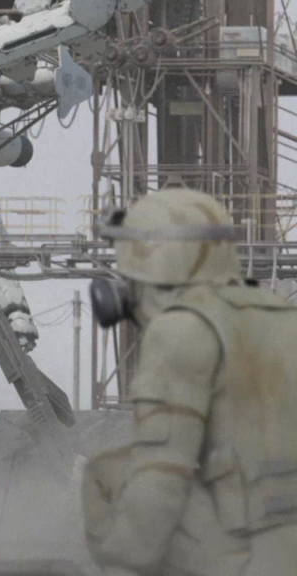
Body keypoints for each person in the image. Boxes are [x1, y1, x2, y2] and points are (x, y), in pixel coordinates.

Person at [83, 188, 297, 575]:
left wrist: (123, 557)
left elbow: (161, 476)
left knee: (108, 473)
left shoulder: (181, 329)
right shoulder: (286, 317)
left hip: (250, 558)